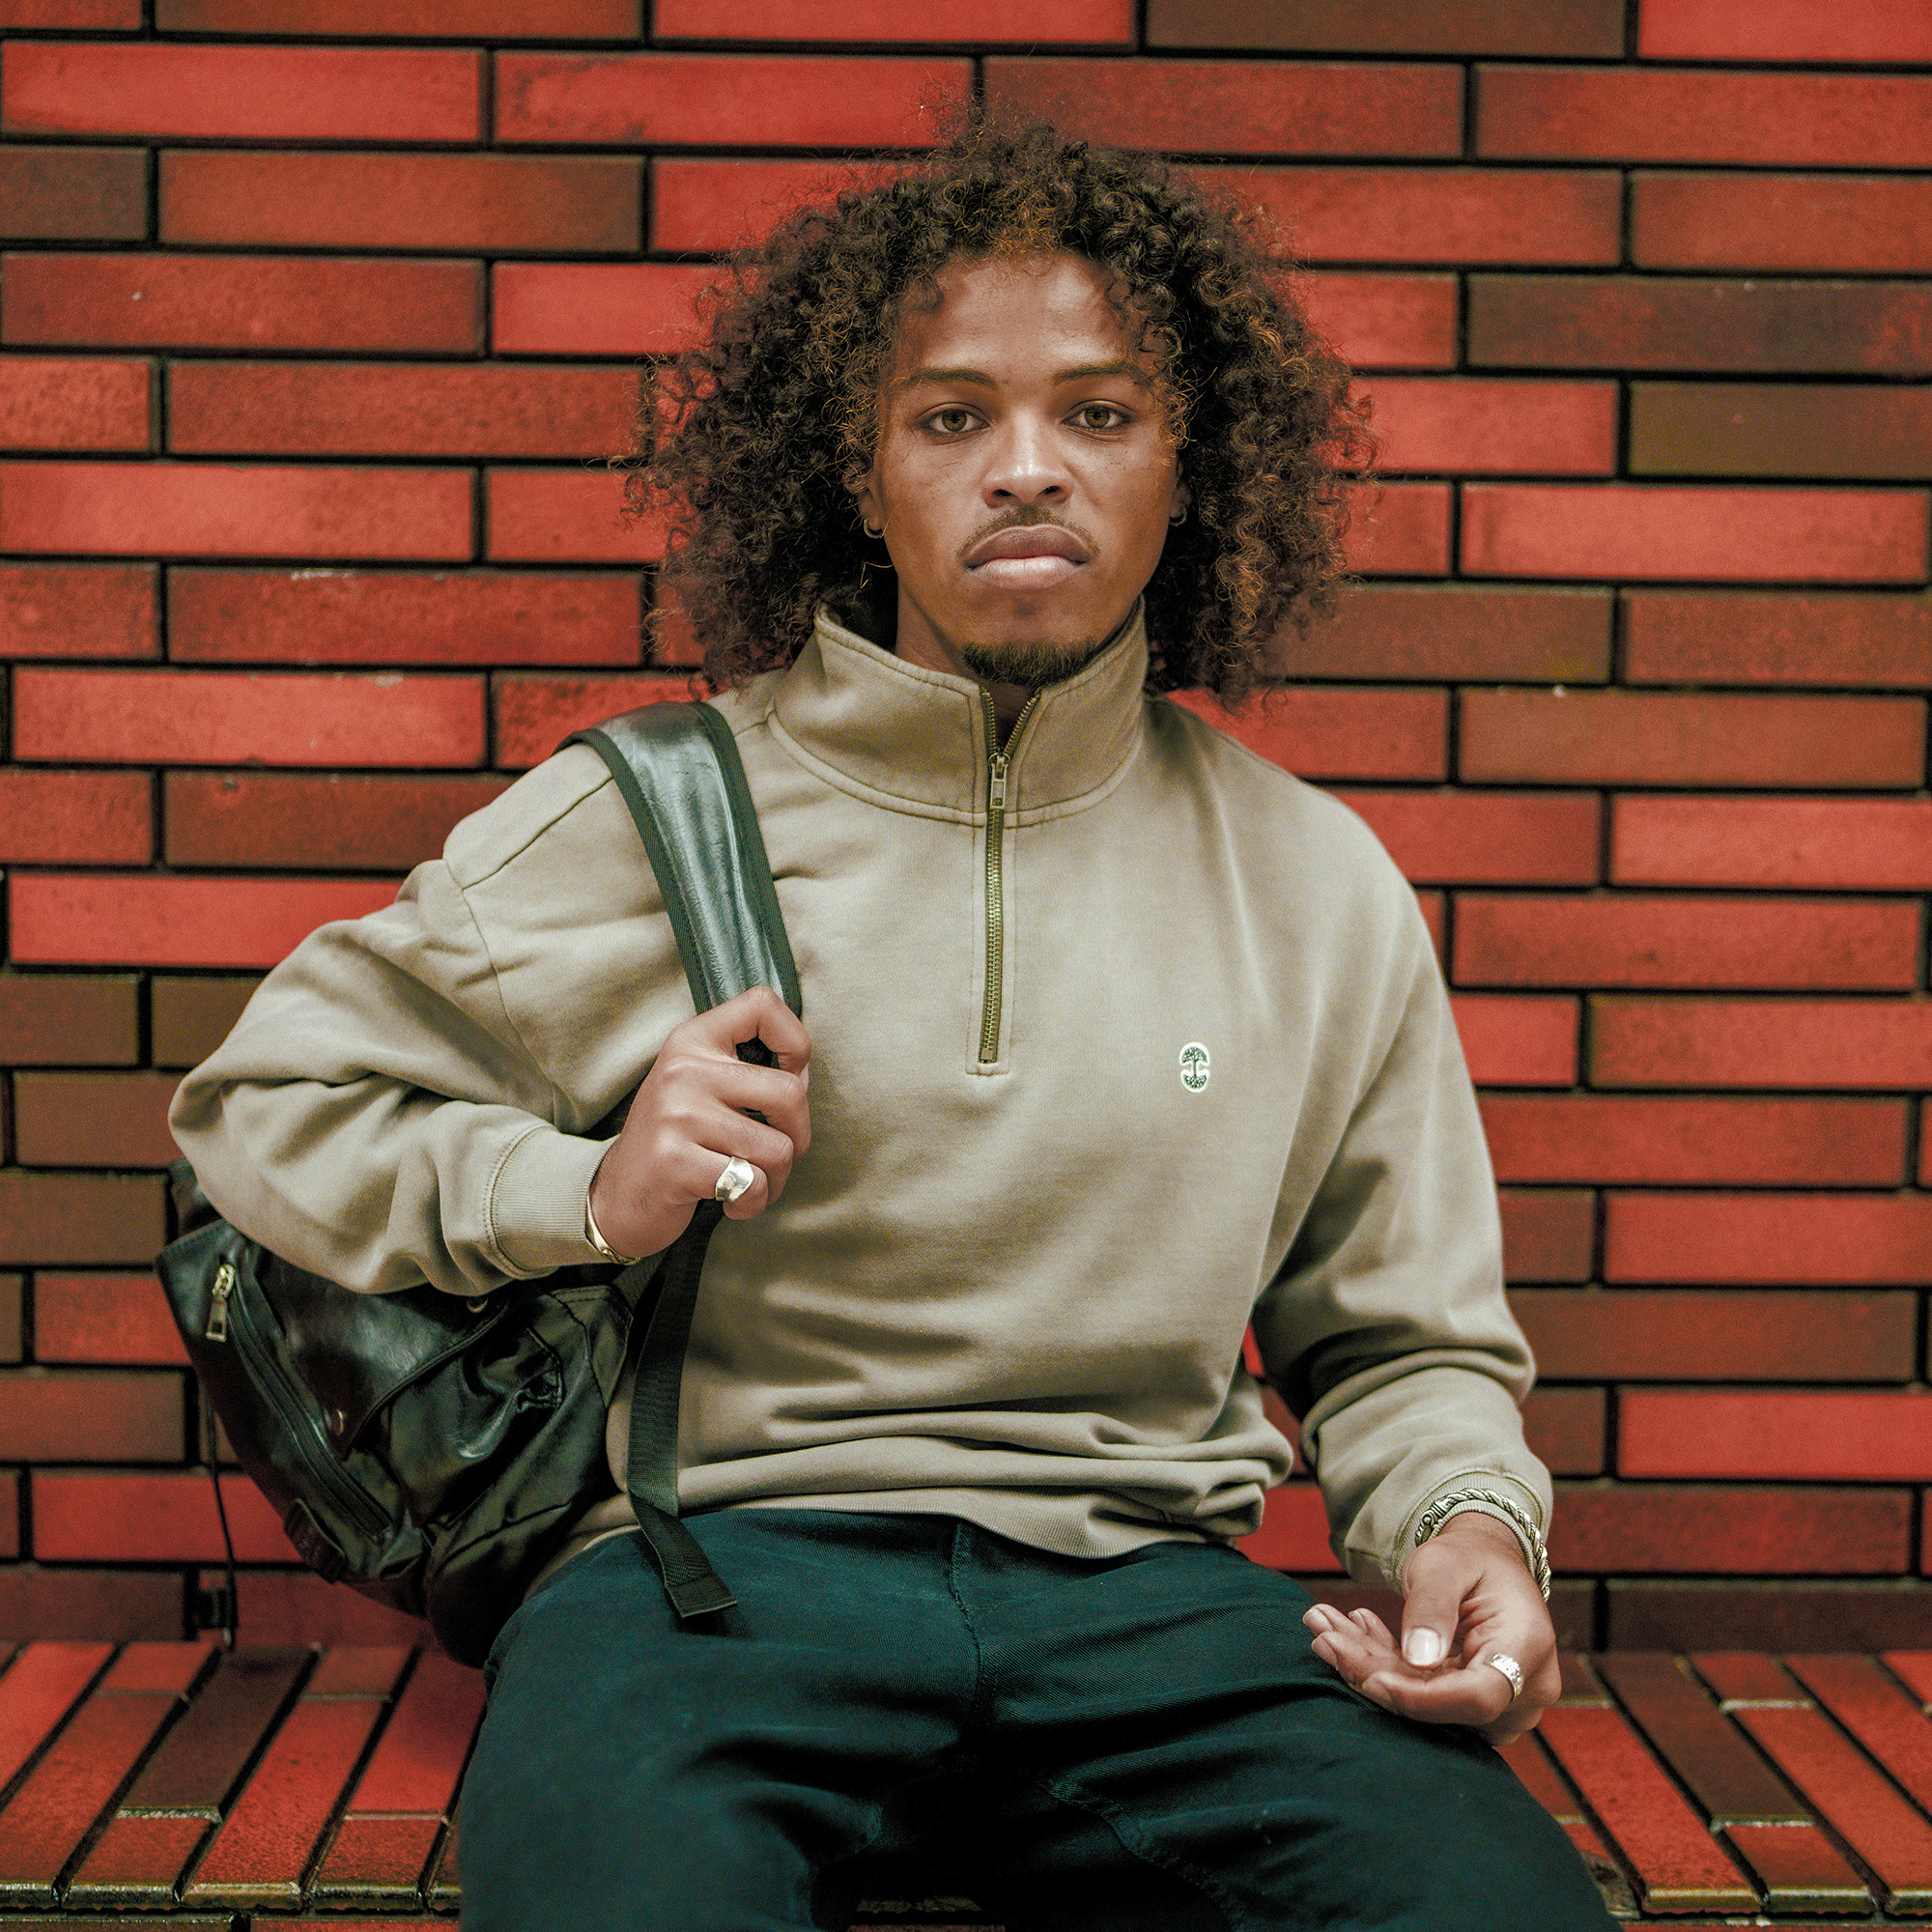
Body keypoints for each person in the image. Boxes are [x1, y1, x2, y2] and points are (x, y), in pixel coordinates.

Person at [172, 124, 1614, 1931]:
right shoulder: (652, 813)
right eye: (950, 418)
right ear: (863, 473)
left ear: (1190, 467)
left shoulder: (1314, 881)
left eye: (1100, 414)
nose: (1027, 469)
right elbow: (262, 1106)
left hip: (1161, 1604)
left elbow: (1401, 1348)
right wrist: (579, 1190)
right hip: (710, 1585)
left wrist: (1465, 1534)